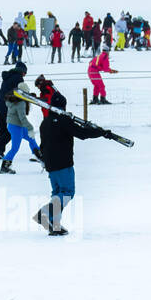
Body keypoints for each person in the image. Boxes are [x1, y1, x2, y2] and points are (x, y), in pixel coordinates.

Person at [35, 88, 111, 236]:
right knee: (68, 192)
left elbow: (42, 145)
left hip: (50, 164)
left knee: (58, 193)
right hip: (63, 163)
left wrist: (45, 161)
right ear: (63, 106)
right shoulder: (64, 120)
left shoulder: (45, 123)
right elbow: (82, 134)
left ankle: (54, 224)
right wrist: (101, 133)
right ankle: (45, 213)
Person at [0, 61, 28, 171]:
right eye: (25, 73)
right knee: (11, 129)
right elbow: (20, 94)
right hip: (6, 106)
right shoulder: (18, 78)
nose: (24, 76)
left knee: (3, 128)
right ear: (22, 72)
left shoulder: (8, 76)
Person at [2, 82, 41, 165]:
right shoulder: (20, 103)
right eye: (26, 93)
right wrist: (30, 128)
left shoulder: (14, 99)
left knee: (31, 139)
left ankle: (39, 156)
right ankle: (5, 166)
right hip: (16, 127)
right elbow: (22, 118)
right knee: (15, 148)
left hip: (14, 125)